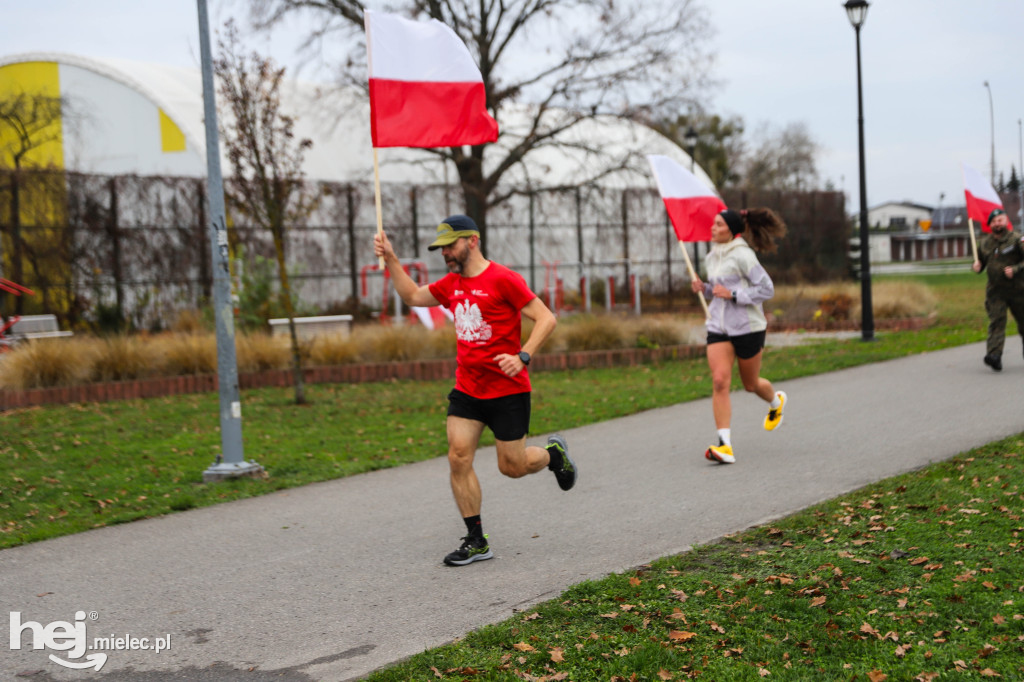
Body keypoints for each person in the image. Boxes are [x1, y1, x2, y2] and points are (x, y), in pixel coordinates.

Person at [373, 214, 578, 566]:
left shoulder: (504, 279)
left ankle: (553, 455)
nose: (445, 254)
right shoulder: (450, 285)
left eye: (450, 246)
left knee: (512, 467)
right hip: (468, 388)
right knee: (458, 456)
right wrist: (391, 258)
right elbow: (411, 295)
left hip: (508, 390)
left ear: (473, 240)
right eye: (441, 248)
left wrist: (523, 355)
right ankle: (476, 539)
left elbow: (547, 318)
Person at [690, 208, 788, 464]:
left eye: (718, 224)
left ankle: (776, 401)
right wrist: (706, 288)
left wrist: (734, 296)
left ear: (731, 230)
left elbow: (766, 289)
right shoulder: (712, 257)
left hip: (748, 327)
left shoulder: (744, 255)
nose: (712, 228)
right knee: (720, 381)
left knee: (751, 385)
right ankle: (725, 446)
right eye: (713, 223)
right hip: (718, 327)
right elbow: (719, 291)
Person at [971, 208, 1024, 371]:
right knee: (996, 322)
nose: (997, 224)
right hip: (996, 292)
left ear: (1006, 221)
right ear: (990, 225)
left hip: (1018, 291)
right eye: (994, 221)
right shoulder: (986, 243)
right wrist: (976, 266)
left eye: (999, 220)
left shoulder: (1017, 239)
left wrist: (1015, 269)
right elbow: (981, 262)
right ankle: (994, 356)